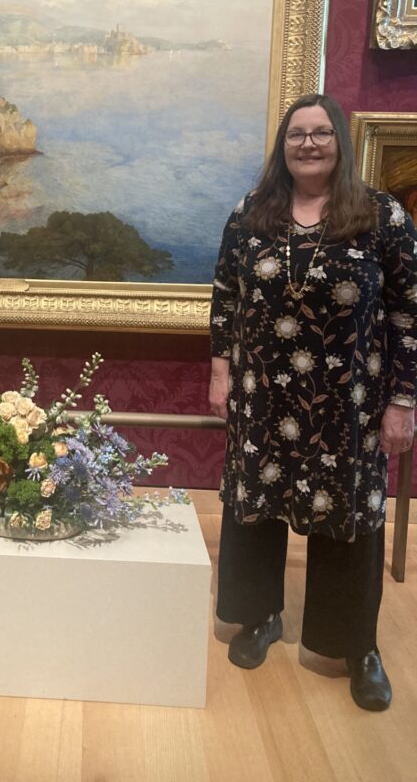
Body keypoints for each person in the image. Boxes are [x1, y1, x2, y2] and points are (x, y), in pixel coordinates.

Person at [208, 93, 417, 712]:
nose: (308, 144)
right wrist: (220, 372)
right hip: (262, 396)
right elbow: (225, 297)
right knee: (255, 505)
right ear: (283, 146)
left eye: (321, 132)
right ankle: (259, 615)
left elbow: (409, 313)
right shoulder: (251, 213)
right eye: (297, 134)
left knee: (349, 517)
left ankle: (355, 646)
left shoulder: (380, 215)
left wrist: (404, 400)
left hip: (350, 404)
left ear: (340, 142)